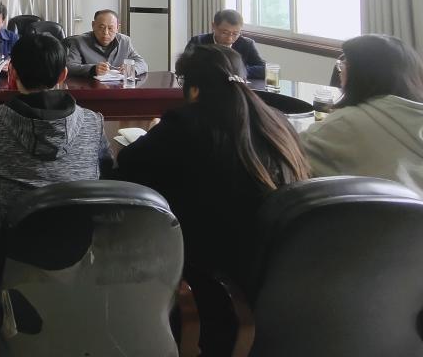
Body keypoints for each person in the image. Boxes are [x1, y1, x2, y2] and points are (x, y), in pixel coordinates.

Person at [115, 44, 310, 289]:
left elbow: (129, 163)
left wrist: (155, 133)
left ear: (194, 89)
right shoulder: (277, 121)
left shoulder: (185, 122)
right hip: (277, 261)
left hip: (213, 268)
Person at [0, 32, 109, 242]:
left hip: (12, 250)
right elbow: (106, 167)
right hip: (79, 248)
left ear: (12, 72)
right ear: (63, 75)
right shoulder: (93, 123)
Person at [301, 34, 423, 196]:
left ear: (360, 74)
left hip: (369, 211)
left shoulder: (344, 123)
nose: (340, 71)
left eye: (344, 64)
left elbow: (290, 155)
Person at [65, 9, 148, 78]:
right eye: (101, 27)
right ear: (93, 25)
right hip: (90, 88)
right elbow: (69, 67)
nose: (105, 32)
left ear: (117, 28)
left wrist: (131, 69)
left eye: (110, 28)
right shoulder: (79, 41)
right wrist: (93, 69)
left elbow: (142, 64)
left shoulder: (125, 41)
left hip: (118, 88)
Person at [186, 9, 266, 79]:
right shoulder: (198, 42)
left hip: (234, 89)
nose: (229, 38)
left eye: (235, 33)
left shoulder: (247, 44)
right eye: (225, 32)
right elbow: (185, 66)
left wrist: (237, 71)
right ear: (214, 26)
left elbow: (263, 69)